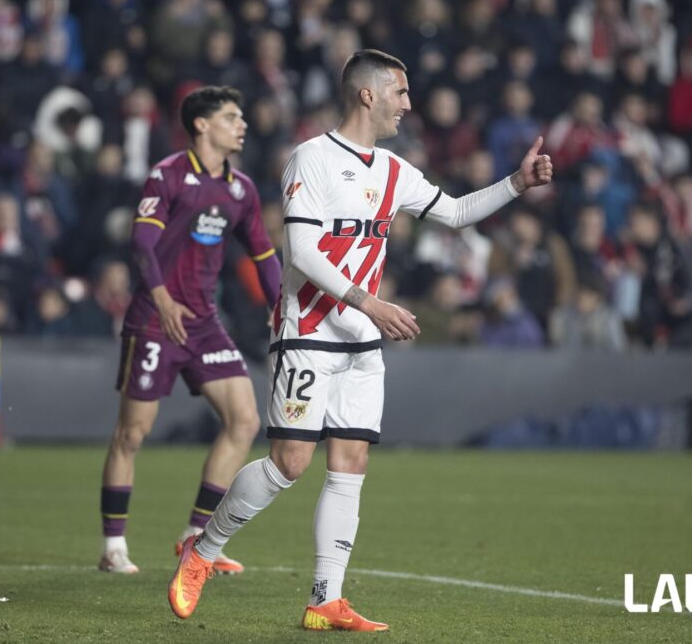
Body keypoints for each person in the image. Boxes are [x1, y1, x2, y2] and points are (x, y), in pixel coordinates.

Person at [169, 49, 553, 631]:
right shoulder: (312, 158)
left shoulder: (394, 169)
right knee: (289, 463)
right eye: (400, 92)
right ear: (368, 94)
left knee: (350, 463)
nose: (408, 104)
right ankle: (203, 550)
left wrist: (517, 183)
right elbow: (302, 251)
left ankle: (325, 599)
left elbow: (454, 212)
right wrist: (371, 303)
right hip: (307, 332)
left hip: (360, 343)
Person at [98, 86, 281, 575]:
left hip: (203, 322)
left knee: (244, 421)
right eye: (231, 117)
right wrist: (161, 297)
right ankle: (113, 546)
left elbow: (263, 253)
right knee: (132, 433)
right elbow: (142, 243)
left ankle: (196, 537)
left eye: (241, 116)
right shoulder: (168, 175)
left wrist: (279, 304)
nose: (242, 125)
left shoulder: (241, 188)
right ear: (202, 125)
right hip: (155, 320)